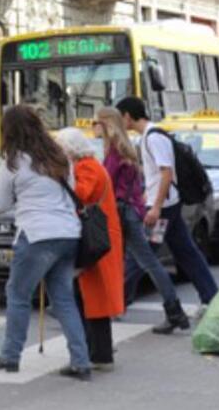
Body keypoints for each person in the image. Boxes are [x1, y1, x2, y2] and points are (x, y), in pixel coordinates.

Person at [0, 105, 90, 380]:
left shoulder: (13, 161)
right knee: (64, 299)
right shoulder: (59, 157)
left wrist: (22, 204)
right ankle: (81, 360)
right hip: (68, 234)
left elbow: (2, 204)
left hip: (37, 235)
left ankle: (10, 355)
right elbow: (72, 193)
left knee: (17, 295)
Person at [116, 97, 218, 309]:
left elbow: (166, 173)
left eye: (120, 117)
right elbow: (156, 175)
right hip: (166, 206)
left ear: (127, 116)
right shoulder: (148, 136)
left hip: (163, 209)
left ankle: (118, 301)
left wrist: (155, 207)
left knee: (140, 256)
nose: (119, 123)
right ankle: (211, 296)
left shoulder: (153, 138)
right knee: (185, 252)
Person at [94, 107, 190, 334]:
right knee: (146, 261)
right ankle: (172, 311)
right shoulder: (126, 147)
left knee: (141, 261)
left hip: (123, 213)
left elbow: (106, 183)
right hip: (131, 211)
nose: (94, 127)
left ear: (107, 124)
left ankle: (172, 311)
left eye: (96, 122)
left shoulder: (116, 150)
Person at [56, 127, 124, 371]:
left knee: (92, 298)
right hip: (100, 235)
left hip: (94, 238)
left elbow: (80, 194)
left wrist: (61, 177)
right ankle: (97, 352)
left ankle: (97, 353)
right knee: (92, 298)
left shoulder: (85, 167)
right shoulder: (90, 164)